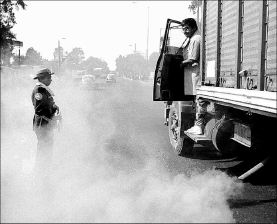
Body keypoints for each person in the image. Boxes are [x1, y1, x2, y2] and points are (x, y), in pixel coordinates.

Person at [180, 18, 209, 135]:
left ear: (193, 27)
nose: (185, 31)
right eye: (183, 29)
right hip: (196, 74)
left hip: (198, 74)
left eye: (187, 28)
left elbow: (193, 58)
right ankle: (199, 125)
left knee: (199, 100)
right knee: (198, 100)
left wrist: (181, 63)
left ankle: (199, 126)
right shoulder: (193, 38)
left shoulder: (196, 39)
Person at [31, 68, 60, 173]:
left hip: (45, 124)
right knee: (44, 149)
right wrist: (52, 112)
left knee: (46, 148)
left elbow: (46, 104)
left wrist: (53, 106)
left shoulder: (44, 90)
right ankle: (41, 172)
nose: (51, 80)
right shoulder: (40, 90)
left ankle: (44, 170)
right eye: (49, 78)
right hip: (43, 124)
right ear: (43, 79)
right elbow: (40, 109)